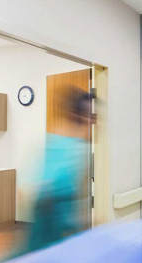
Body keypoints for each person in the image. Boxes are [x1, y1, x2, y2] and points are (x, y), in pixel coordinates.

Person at [24, 87, 92, 253]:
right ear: (77, 113)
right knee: (38, 252)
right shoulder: (59, 141)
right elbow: (46, 184)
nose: (91, 118)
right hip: (49, 207)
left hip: (62, 208)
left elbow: (76, 185)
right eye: (87, 112)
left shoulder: (80, 144)